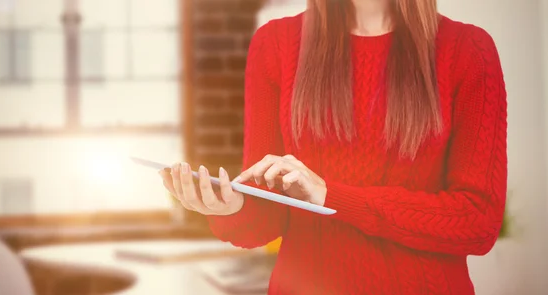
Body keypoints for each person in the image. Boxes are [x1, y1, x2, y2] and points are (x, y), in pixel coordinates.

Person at [159, 0, 507, 294]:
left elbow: (478, 222)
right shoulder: (276, 44)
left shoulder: (468, 50)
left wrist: (333, 198)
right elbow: (268, 217)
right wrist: (231, 207)